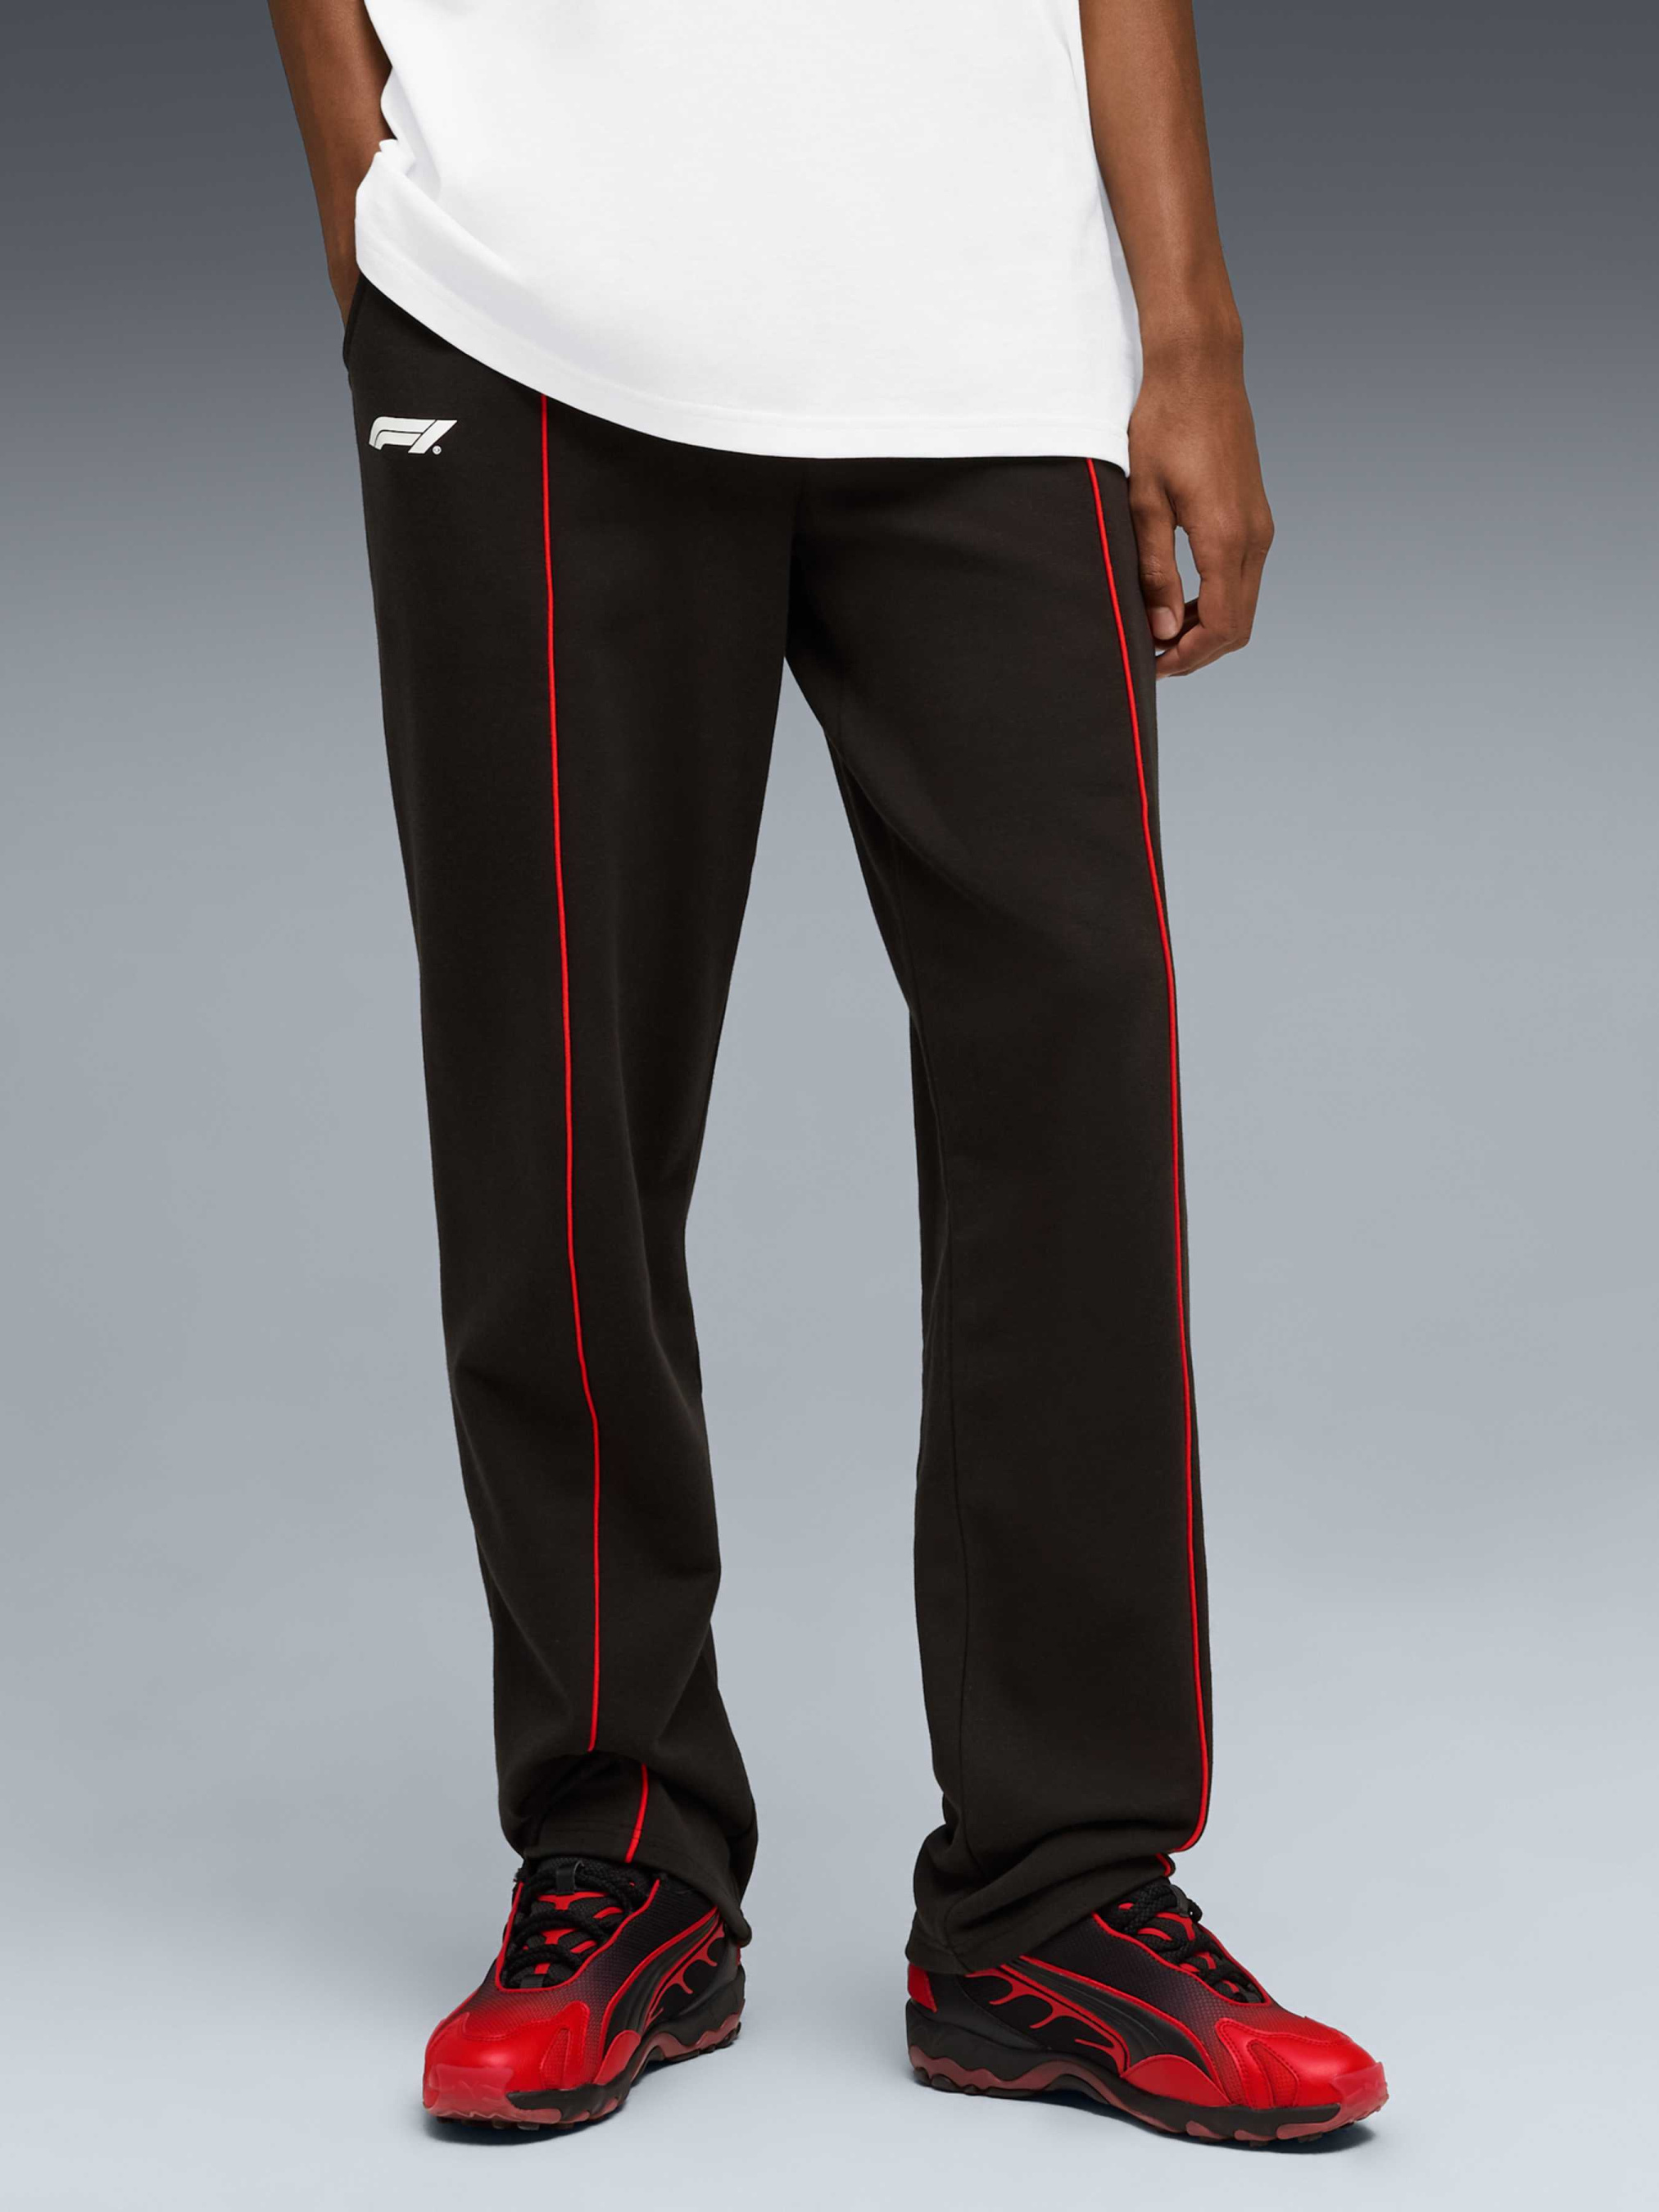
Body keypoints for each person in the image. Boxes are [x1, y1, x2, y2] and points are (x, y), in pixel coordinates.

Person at [270, 0, 1385, 2144]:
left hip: (989, 327)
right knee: (556, 1107)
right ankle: (615, 1851)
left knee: (1074, 1070)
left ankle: (1061, 1894)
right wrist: (375, 203)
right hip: (523, 312)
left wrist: (1190, 332)